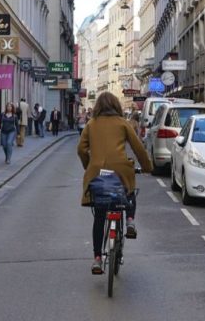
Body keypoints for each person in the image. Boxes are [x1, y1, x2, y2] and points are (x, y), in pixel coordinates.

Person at [77, 91, 152, 275]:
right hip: (120, 171)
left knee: (100, 217)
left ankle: (96, 258)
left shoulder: (91, 124)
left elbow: (81, 149)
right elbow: (138, 147)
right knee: (130, 189)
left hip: (98, 173)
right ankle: (131, 221)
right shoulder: (123, 123)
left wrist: (89, 166)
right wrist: (148, 167)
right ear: (116, 106)